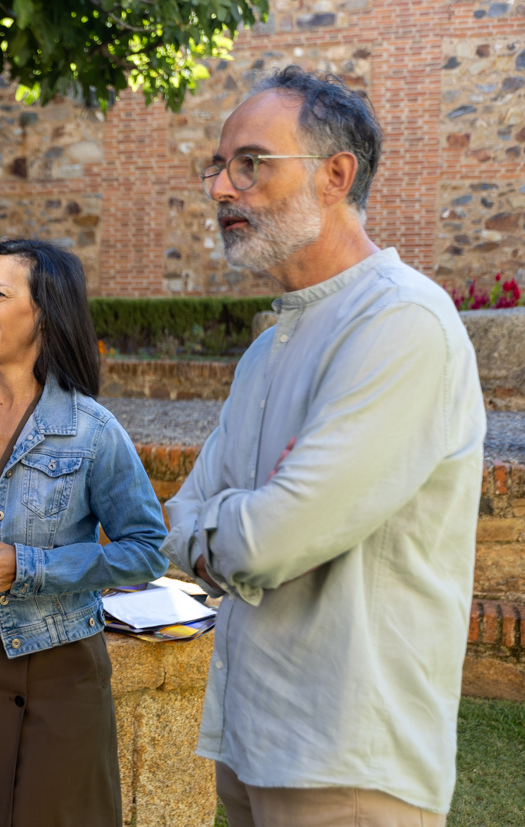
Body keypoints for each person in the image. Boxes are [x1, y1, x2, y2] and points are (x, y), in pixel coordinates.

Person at [162, 67, 485, 825]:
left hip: (349, 760)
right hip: (250, 739)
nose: (221, 189)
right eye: (218, 166)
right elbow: (184, 515)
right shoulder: (270, 345)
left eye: (250, 163)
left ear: (336, 174)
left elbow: (272, 539)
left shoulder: (403, 324)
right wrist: (233, 524)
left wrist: (233, 526)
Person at [0, 238, 169, 826]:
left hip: (59, 671)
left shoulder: (93, 431)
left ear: (44, 311)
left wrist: (33, 568)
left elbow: (148, 548)